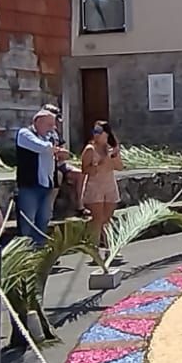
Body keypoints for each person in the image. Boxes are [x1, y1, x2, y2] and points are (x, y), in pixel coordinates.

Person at [16, 110, 68, 243]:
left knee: (43, 220)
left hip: (46, 184)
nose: (53, 128)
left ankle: (40, 251)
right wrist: (54, 148)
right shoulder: (24, 133)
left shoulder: (49, 137)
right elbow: (40, 147)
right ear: (38, 122)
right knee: (28, 220)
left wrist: (59, 153)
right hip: (30, 185)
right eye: (50, 125)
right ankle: (25, 253)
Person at [80, 122, 124, 253]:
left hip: (109, 185)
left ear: (106, 133)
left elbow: (120, 167)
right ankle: (94, 249)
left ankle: (109, 247)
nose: (96, 134)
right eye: (95, 131)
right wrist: (100, 163)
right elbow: (85, 169)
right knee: (97, 219)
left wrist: (115, 155)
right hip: (95, 186)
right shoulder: (90, 149)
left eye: (99, 131)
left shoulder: (110, 149)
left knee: (107, 218)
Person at [42, 104, 87, 216]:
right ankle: (49, 209)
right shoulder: (40, 132)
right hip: (48, 165)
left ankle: (79, 205)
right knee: (58, 176)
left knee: (80, 174)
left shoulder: (55, 132)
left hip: (60, 163)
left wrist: (64, 153)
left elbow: (62, 147)